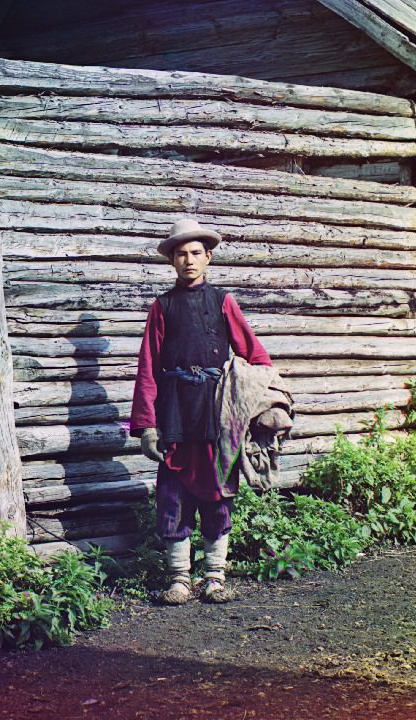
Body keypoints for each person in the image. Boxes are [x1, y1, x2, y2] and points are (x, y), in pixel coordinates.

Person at [130, 218, 273, 605]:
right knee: (173, 494)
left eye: (196, 253)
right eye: (181, 254)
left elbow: (255, 355)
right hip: (175, 410)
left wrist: (264, 403)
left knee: (217, 492)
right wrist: (147, 427)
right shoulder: (162, 308)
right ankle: (179, 578)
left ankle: (214, 576)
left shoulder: (222, 301)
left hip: (216, 411)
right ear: (172, 261)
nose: (188, 260)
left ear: (208, 257)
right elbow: (148, 367)